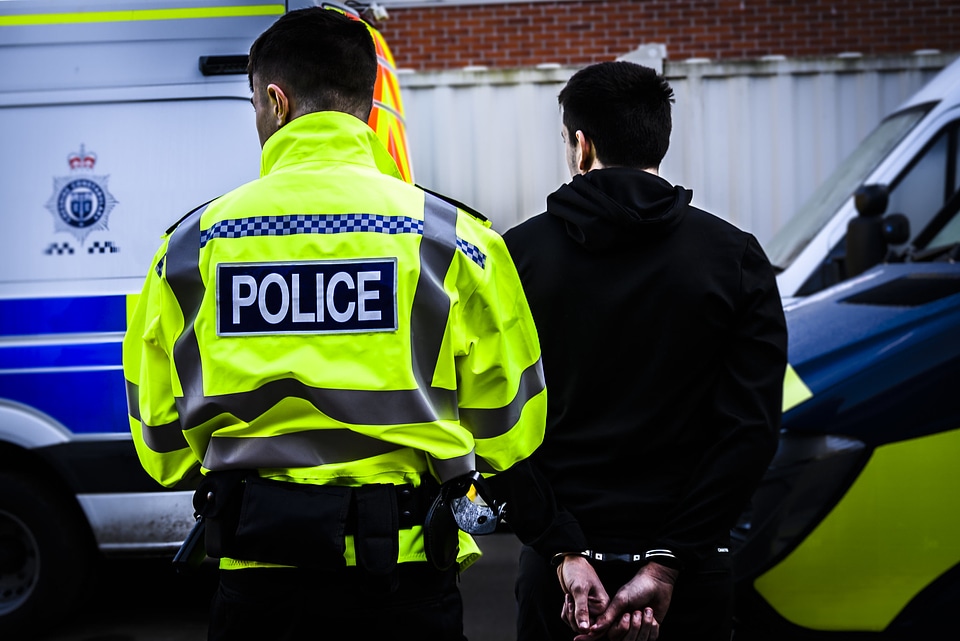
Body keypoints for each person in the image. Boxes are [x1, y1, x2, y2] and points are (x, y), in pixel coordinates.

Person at [122, 8, 551, 641]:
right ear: (368, 101)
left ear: (275, 99)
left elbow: (159, 443)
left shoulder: (190, 248)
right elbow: (511, 430)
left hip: (259, 577)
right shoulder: (454, 241)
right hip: (404, 577)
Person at [501, 61, 788, 641]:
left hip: (562, 582)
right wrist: (667, 560)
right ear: (660, 139)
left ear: (581, 147)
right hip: (689, 576)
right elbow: (751, 430)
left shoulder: (515, 258)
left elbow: (492, 423)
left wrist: (562, 549)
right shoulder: (735, 258)